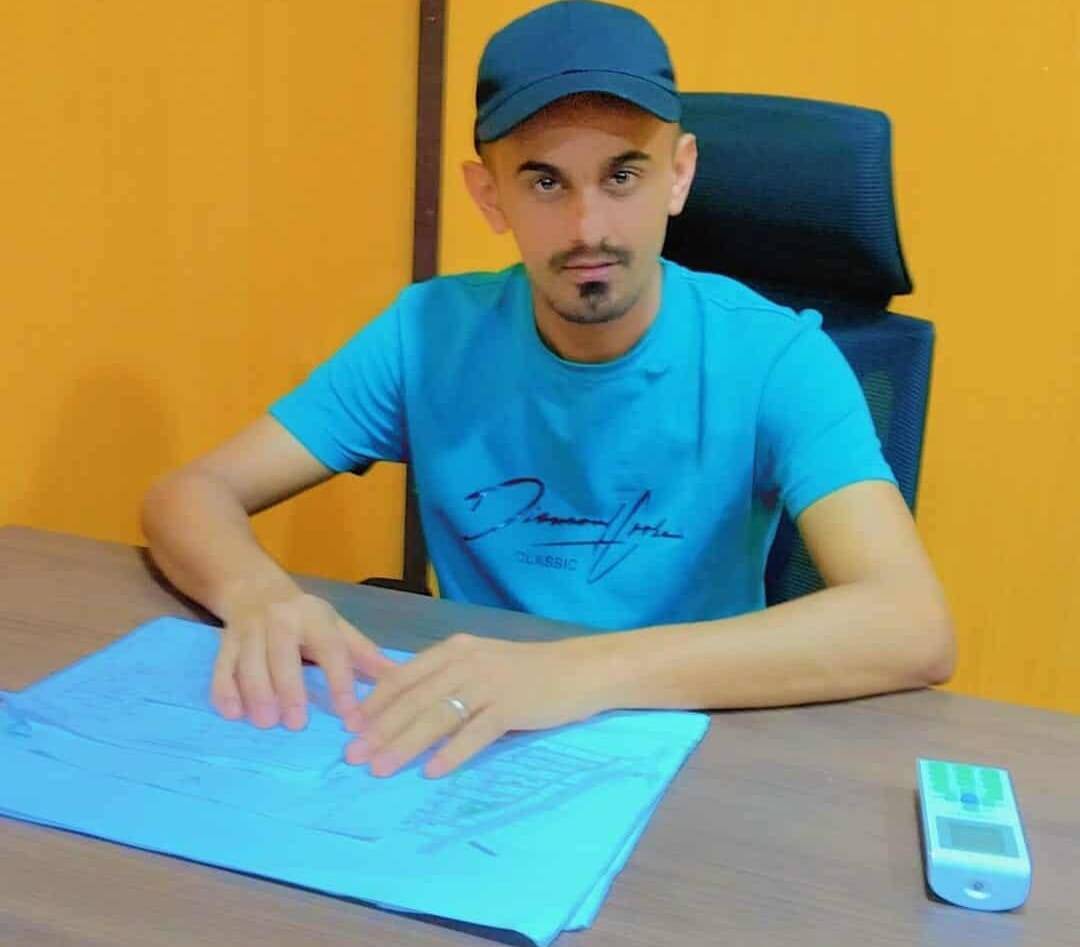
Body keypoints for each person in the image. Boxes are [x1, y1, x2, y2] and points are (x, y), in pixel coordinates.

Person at [141, 0, 954, 781]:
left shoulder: (778, 357)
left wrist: (580, 671)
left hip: (692, 744)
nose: (588, 228)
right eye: (544, 183)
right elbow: (189, 494)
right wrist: (256, 593)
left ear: (679, 175)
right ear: (488, 194)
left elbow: (913, 624)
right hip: (471, 744)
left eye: (622, 175)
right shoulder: (427, 335)